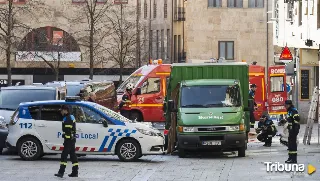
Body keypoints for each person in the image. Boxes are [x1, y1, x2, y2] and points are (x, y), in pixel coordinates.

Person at [54, 105, 79, 178]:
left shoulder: (67, 118)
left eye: (61, 110)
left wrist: (66, 138)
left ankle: (61, 172)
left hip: (69, 140)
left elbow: (68, 131)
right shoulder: (71, 116)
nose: (61, 112)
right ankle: (75, 172)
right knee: (73, 155)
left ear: (65, 110)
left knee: (64, 155)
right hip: (72, 140)